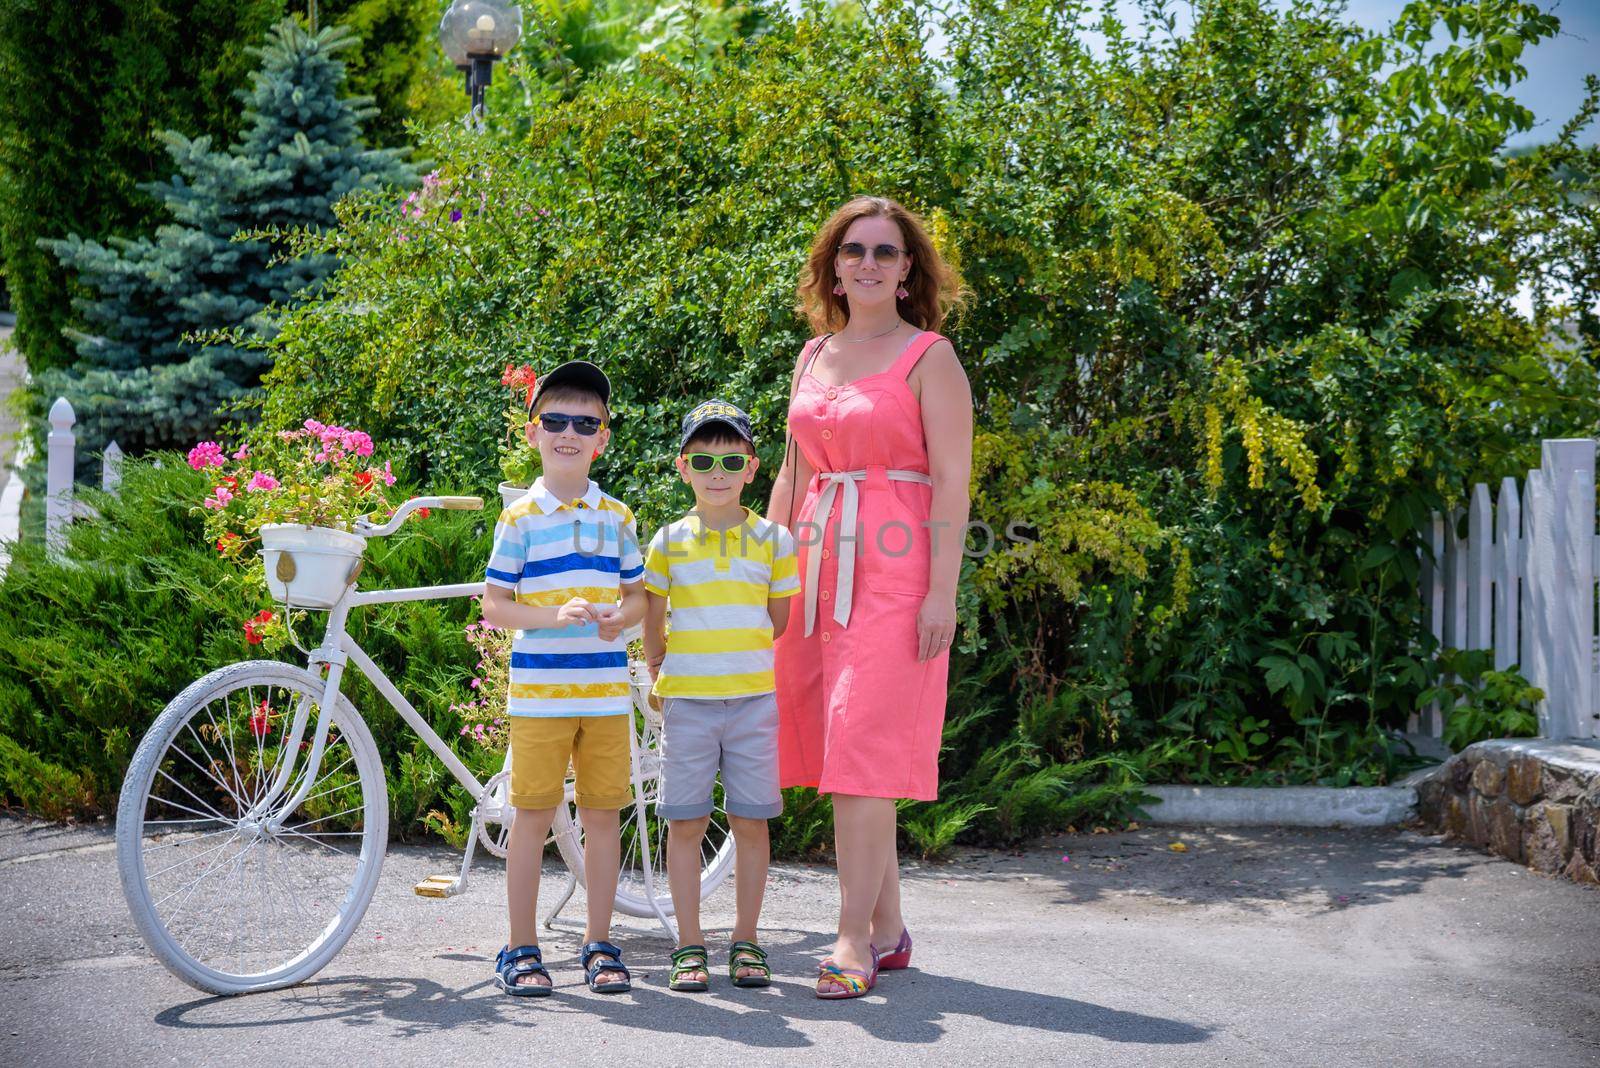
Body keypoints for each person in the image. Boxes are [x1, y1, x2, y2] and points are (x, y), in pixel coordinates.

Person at [767, 196, 973, 999]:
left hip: (895, 568)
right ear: (835, 265)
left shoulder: (931, 356)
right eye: (854, 251)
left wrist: (941, 594)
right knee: (837, 746)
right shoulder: (814, 353)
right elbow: (792, 471)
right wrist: (763, 565)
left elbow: (954, 481)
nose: (868, 264)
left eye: (886, 252)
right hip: (814, 564)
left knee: (862, 752)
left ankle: (851, 940)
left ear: (908, 268)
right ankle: (888, 928)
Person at [481, 359, 646, 996]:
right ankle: (521, 948)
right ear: (533, 432)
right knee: (532, 815)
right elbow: (496, 606)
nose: (569, 431)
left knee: (603, 817)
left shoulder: (619, 519)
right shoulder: (519, 519)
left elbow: (638, 600)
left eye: (585, 422)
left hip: (604, 694)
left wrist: (619, 620)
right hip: (541, 696)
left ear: (602, 437)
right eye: (555, 420)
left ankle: (599, 944)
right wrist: (553, 616)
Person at [642, 399, 800, 992]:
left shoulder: (773, 540)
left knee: (751, 822)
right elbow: (652, 617)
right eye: (703, 459)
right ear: (684, 467)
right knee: (686, 822)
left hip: (754, 702)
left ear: (752, 468)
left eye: (730, 459)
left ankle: (746, 940)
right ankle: (689, 944)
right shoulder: (668, 542)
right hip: (688, 704)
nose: (717, 472)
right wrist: (659, 667)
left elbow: (777, 619)